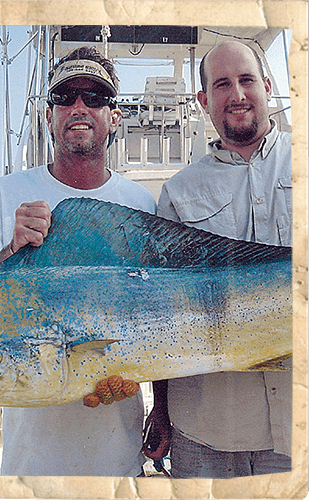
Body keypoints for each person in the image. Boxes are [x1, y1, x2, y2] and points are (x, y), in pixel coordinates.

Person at [0, 46, 157, 476]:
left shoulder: (140, 203)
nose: (79, 107)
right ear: (48, 115)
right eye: (65, 97)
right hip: (32, 466)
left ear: (114, 116)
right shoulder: (5, 195)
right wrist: (12, 252)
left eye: (94, 97)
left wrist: (166, 411)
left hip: (119, 461)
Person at [143, 41, 292, 478]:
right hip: (207, 431)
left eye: (246, 80)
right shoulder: (177, 192)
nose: (237, 94)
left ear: (266, 86)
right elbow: (163, 315)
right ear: (205, 100)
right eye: (223, 84)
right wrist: (162, 411)